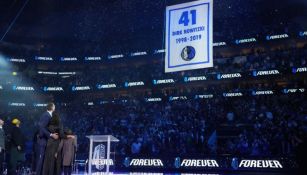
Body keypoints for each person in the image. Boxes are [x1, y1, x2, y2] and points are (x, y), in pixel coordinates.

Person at [35, 102, 59, 175]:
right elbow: (41, 128)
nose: (55, 107)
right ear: (52, 107)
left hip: (46, 140)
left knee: (44, 160)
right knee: (41, 160)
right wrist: (51, 135)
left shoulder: (49, 115)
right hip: (42, 141)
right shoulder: (46, 115)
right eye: (54, 106)